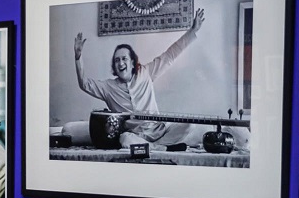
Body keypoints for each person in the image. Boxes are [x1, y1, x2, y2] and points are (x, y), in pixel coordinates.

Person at [73, 8, 206, 149]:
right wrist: (78, 57)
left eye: (124, 59)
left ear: (132, 63)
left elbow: (170, 55)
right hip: (136, 136)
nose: (120, 63)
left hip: (159, 130)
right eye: (117, 60)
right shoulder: (108, 88)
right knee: (125, 139)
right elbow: (84, 84)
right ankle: (163, 148)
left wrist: (192, 31)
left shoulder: (146, 72)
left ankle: (154, 146)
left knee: (190, 125)